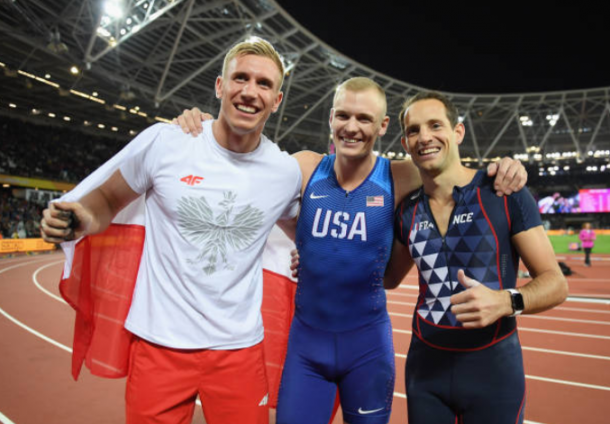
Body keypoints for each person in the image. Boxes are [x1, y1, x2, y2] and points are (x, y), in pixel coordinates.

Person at [175, 78, 528, 424]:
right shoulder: (305, 167)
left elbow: (452, 168)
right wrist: (212, 130)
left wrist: (504, 168)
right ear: (330, 118)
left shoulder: (401, 175)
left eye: (364, 119)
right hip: (306, 350)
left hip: (368, 350)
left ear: (384, 126)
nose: (351, 127)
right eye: (343, 116)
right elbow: (247, 166)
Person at [40, 37, 302, 424]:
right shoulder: (169, 142)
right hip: (159, 343)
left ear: (277, 100)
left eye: (264, 84)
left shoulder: (284, 173)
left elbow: (305, 231)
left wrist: (312, 256)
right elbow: (108, 200)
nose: (249, 92)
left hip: (239, 350)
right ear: (219, 86)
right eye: (240, 78)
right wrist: (82, 217)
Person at [385, 91, 569, 424]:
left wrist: (506, 301)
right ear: (405, 142)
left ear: (457, 132)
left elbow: (555, 283)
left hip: (493, 370)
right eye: (414, 130)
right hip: (425, 370)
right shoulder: (406, 211)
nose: (424, 136)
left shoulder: (502, 191)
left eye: (435, 125)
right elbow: (387, 277)